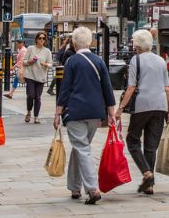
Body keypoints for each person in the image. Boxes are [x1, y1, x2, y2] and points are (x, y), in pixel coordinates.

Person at [54, 26, 116, 205]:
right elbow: (107, 88)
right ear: (90, 42)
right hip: (96, 113)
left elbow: (64, 89)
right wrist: (111, 113)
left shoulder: (72, 62)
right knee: (80, 146)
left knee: (82, 148)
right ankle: (74, 187)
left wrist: (58, 113)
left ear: (74, 43)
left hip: (75, 111)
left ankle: (92, 188)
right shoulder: (99, 61)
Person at [115, 29, 169, 196]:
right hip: (160, 106)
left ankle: (147, 173)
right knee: (151, 146)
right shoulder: (161, 61)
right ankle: (149, 186)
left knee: (132, 140)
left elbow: (131, 86)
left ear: (138, 45)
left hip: (142, 105)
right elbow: (167, 88)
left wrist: (120, 108)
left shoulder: (136, 60)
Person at [21, 32, 53, 123]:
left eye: (43, 38)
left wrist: (46, 64)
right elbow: (24, 61)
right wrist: (30, 61)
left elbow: (51, 64)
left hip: (41, 76)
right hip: (30, 75)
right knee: (31, 95)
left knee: (38, 97)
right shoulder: (31, 48)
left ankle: (36, 116)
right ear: (36, 39)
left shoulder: (47, 51)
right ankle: (28, 112)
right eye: (40, 38)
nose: (42, 40)